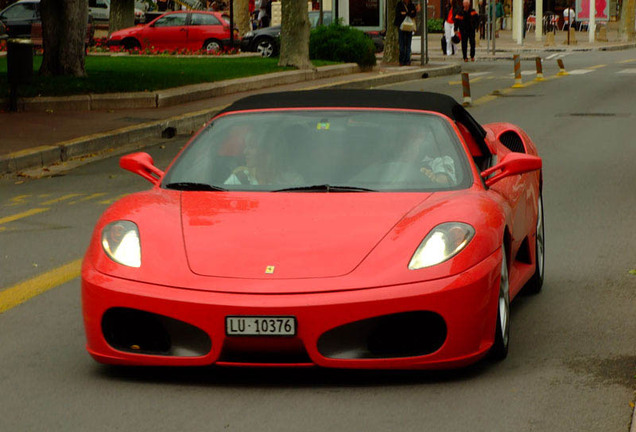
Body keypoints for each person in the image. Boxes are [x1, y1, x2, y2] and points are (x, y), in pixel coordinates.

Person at [394, 0, 420, 66]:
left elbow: (414, 14)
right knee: (402, 45)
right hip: (401, 26)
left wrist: (405, 13)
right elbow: (398, 14)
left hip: (409, 26)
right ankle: (402, 60)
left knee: (408, 44)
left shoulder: (411, 5)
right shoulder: (400, 4)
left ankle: (408, 60)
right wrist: (409, 13)